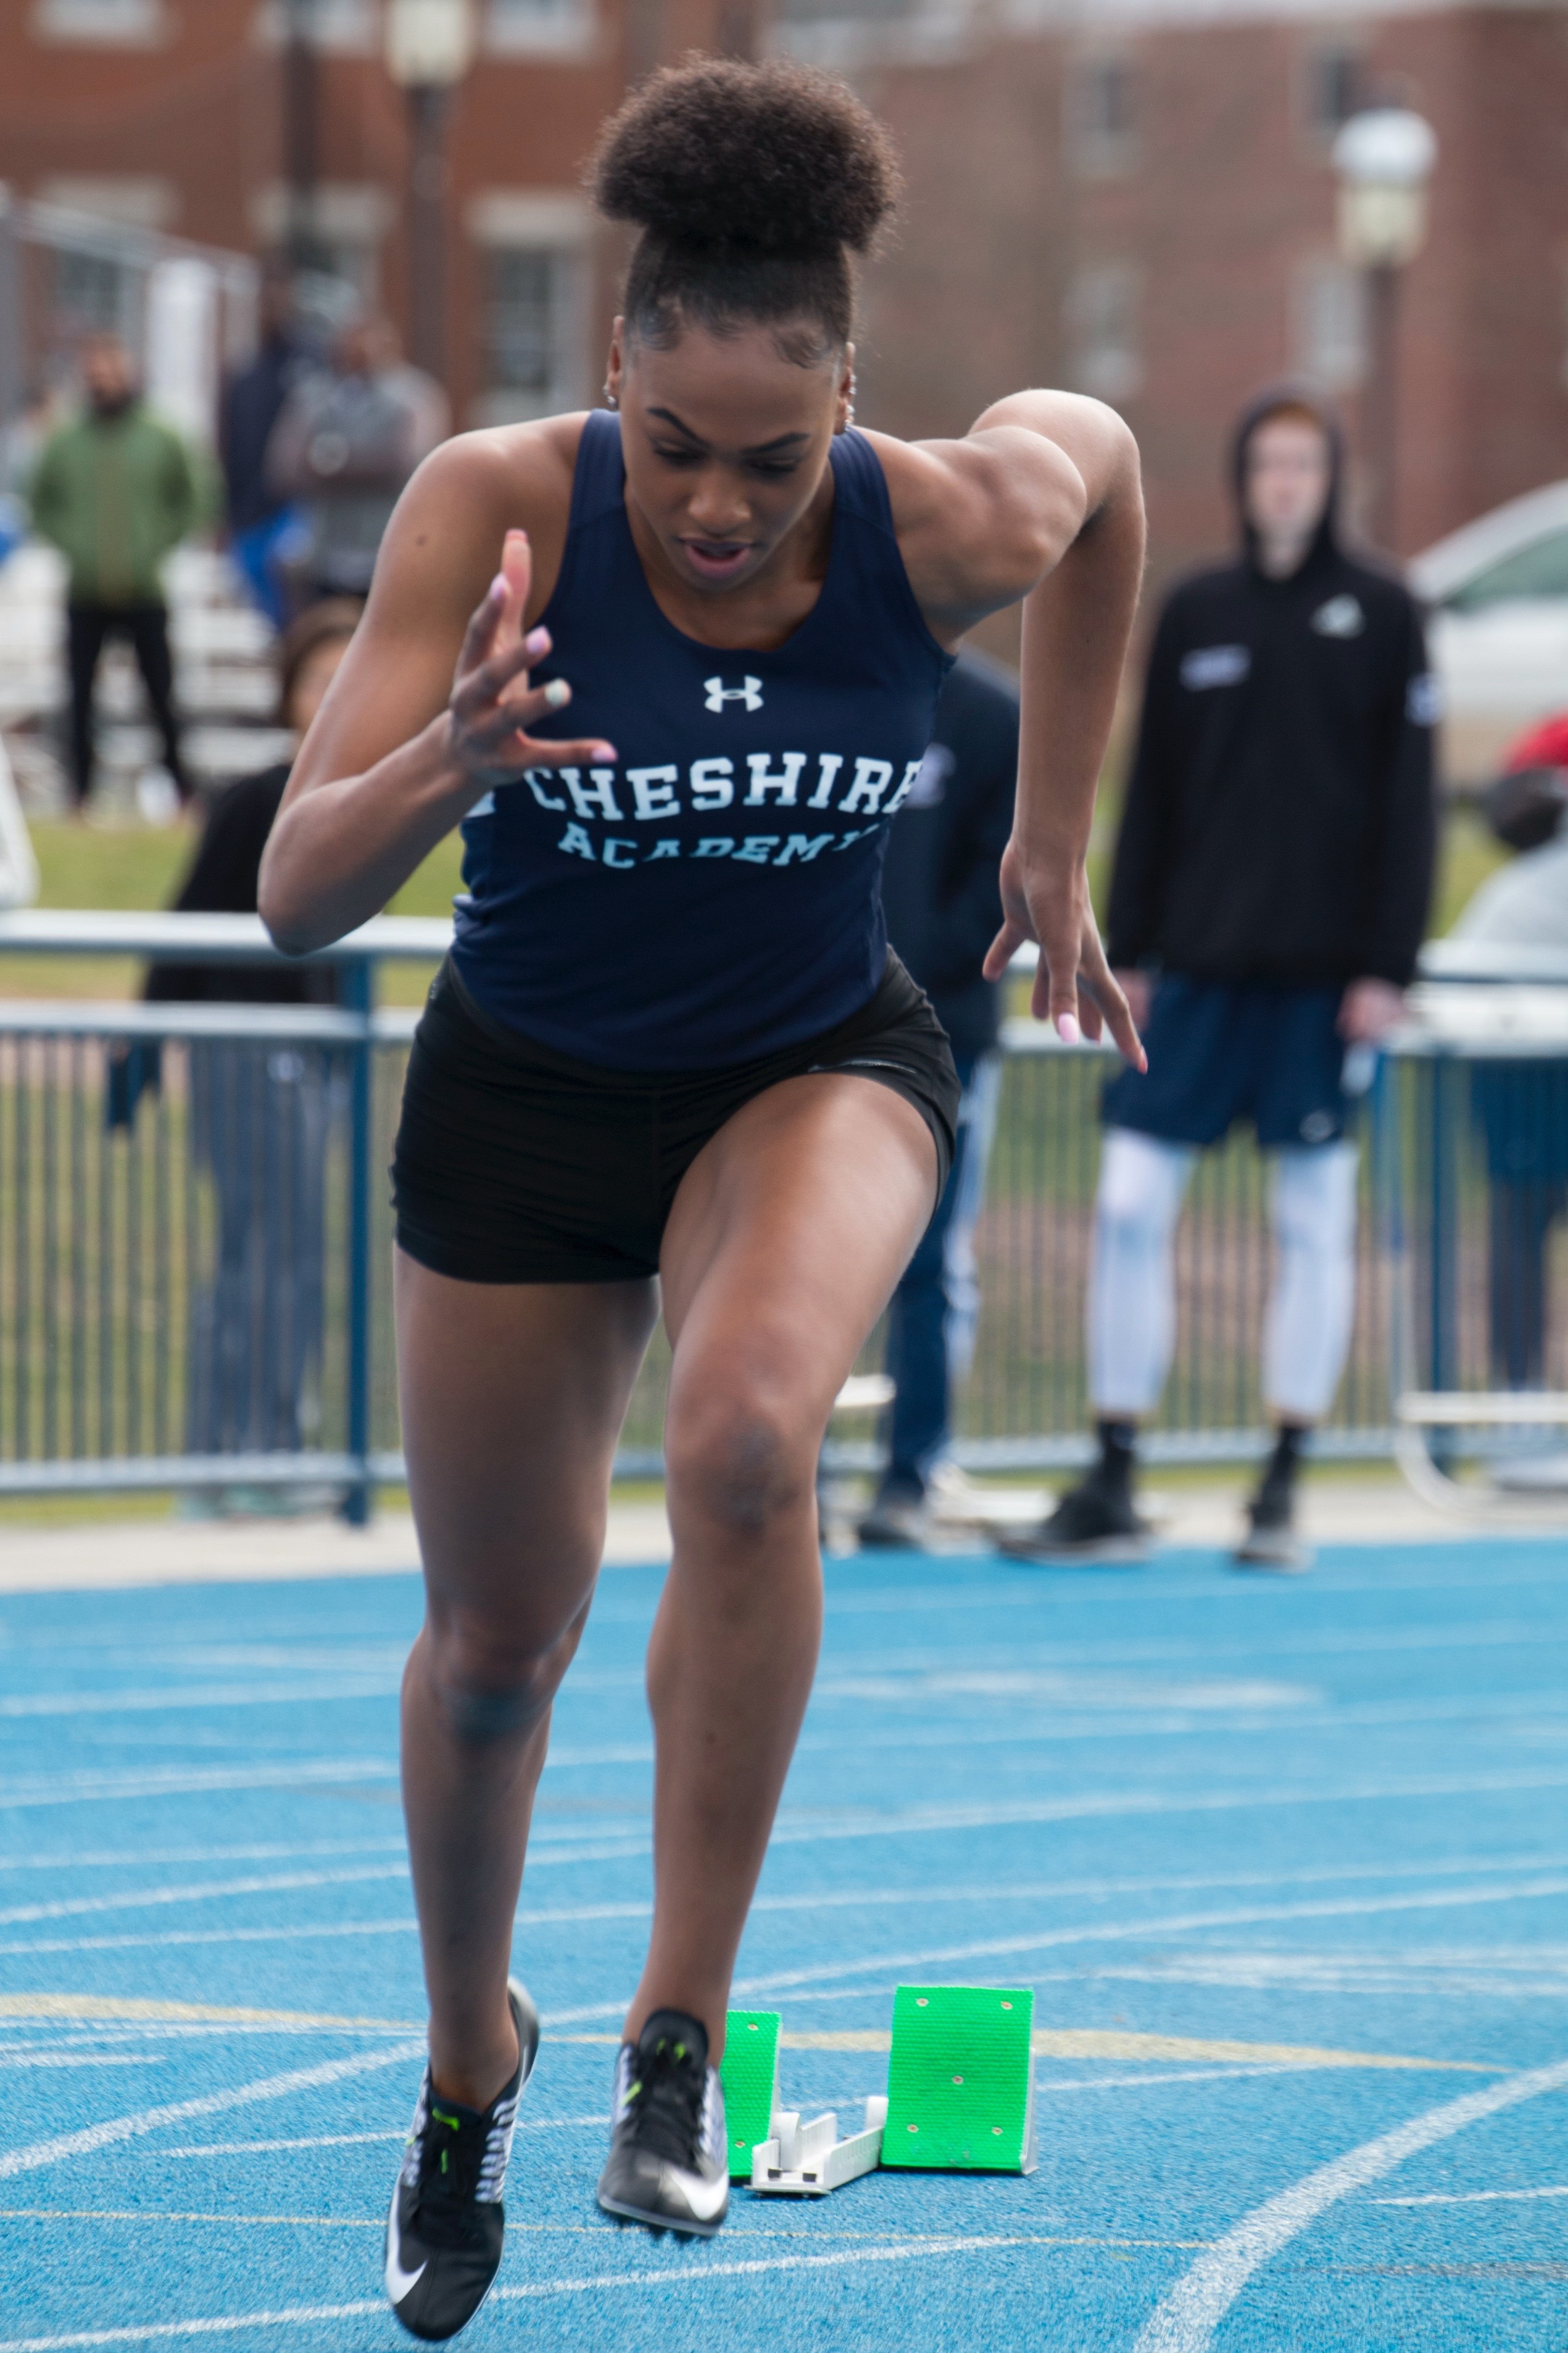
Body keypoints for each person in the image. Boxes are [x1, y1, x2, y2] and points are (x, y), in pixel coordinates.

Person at [258, 59, 1144, 2340]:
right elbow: (287, 895)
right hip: (530, 1095)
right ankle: (473, 2059)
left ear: (848, 403)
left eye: (774, 461)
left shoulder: (938, 517)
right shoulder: (490, 503)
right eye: (674, 453)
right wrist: (451, 756)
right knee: (494, 1658)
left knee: (752, 1443)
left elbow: (1113, 475)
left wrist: (1053, 833)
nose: (721, 509)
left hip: (806, 1061)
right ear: (614, 376)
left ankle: (676, 2030)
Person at [1003, 385, 1437, 1574]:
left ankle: (1282, 1482)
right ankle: (1113, 1471)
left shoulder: (1388, 611)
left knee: (1310, 1223)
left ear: (1330, 476)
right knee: (1133, 1204)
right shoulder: (1194, 611)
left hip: (1321, 987)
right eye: (1267, 464)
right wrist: (1125, 951)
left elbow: (1409, 808)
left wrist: (1384, 969)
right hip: (1189, 976)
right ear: (1244, 478)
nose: (1285, 483)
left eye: (1305, 463)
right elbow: (1145, 801)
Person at [120, 602, 363, 1460]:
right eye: (319, 678)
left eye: (352, 677)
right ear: (289, 692)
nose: (336, 694)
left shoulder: (372, 799)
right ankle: (241, 1451)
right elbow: (185, 930)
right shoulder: (258, 798)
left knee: (293, 1256)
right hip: (251, 1057)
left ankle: (264, 1445)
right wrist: (140, 1052)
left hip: (322, 1063)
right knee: (261, 1254)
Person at [855, 648, 1018, 1548]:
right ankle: (777, 1471)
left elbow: (1005, 886)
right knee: (790, 1258)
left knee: (927, 1261)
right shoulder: (831, 690)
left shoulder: (994, 715)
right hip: (810, 1029)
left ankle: (909, 1473)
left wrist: (906, 989)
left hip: (944, 1039)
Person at [28, 334, 203, 812]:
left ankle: (181, 792)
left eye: (111, 370)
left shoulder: (160, 435)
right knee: (80, 695)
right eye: (95, 372)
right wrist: (73, 544)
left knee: (161, 691)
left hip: (143, 585)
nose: (102, 380)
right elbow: (40, 503)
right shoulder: (66, 440)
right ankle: (80, 793)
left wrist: (156, 544)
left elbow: (194, 496)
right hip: (85, 588)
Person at [1453, 722, 1568, 1389]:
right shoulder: (1530, 890)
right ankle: (1518, 1403)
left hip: (1535, 1035)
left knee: (1522, 1224)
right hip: (1511, 1045)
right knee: (1521, 1220)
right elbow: (1508, 800)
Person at [265, 312, 449, 606]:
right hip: (323, 553)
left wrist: (334, 463)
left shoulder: (413, 397)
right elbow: (284, 468)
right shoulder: (314, 396)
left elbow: (411, 464)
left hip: (386, 553)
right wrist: (365, 464)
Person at [220, 260, 308, 628]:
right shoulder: (244, 371)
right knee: (268, 617)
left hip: (297, 509)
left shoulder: (311, 365)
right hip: (250, 513)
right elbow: (228, 444)